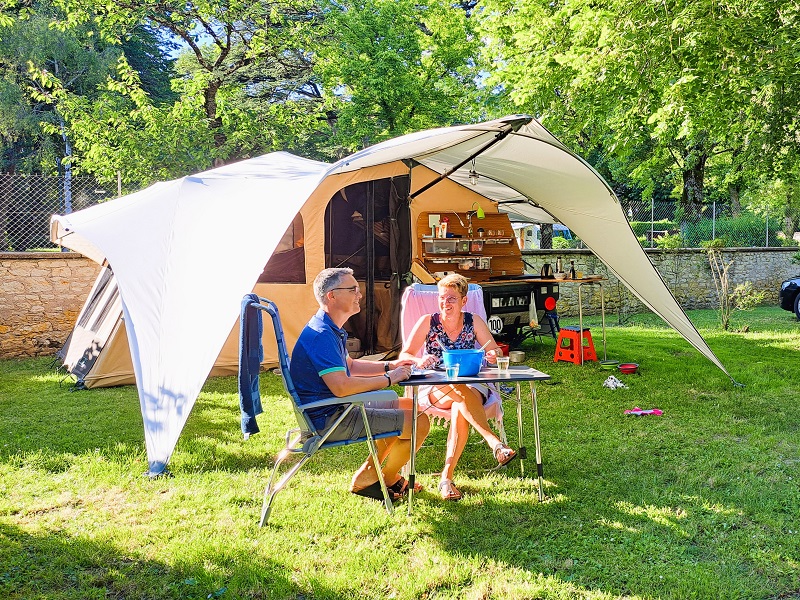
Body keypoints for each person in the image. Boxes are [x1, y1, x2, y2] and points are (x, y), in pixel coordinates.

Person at [291, 267, 430, 502]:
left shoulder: (328, 328)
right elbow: (342, 387)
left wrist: (392, 366)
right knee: (420, 422)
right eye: (353, 289)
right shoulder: (321, 335)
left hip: (338, 406)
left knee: (410, 406)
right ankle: (384, 477)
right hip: (331, 417)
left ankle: (368, 472)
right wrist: (389, 379)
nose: (360, 295)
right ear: (331, 296)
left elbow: (351, 366)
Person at [398, 273, 516, 501]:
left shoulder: (473, 321)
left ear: (463, 301)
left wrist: (492, 355)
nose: (445, 303)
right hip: (435, 387)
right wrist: (418, 360)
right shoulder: (427, 322)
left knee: (460, 405)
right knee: (457, 390)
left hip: (472, 385)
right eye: (442, 297)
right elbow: (405, 354)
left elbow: (495, 351)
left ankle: (446, 478)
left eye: (452, 298)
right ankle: (495, 443)